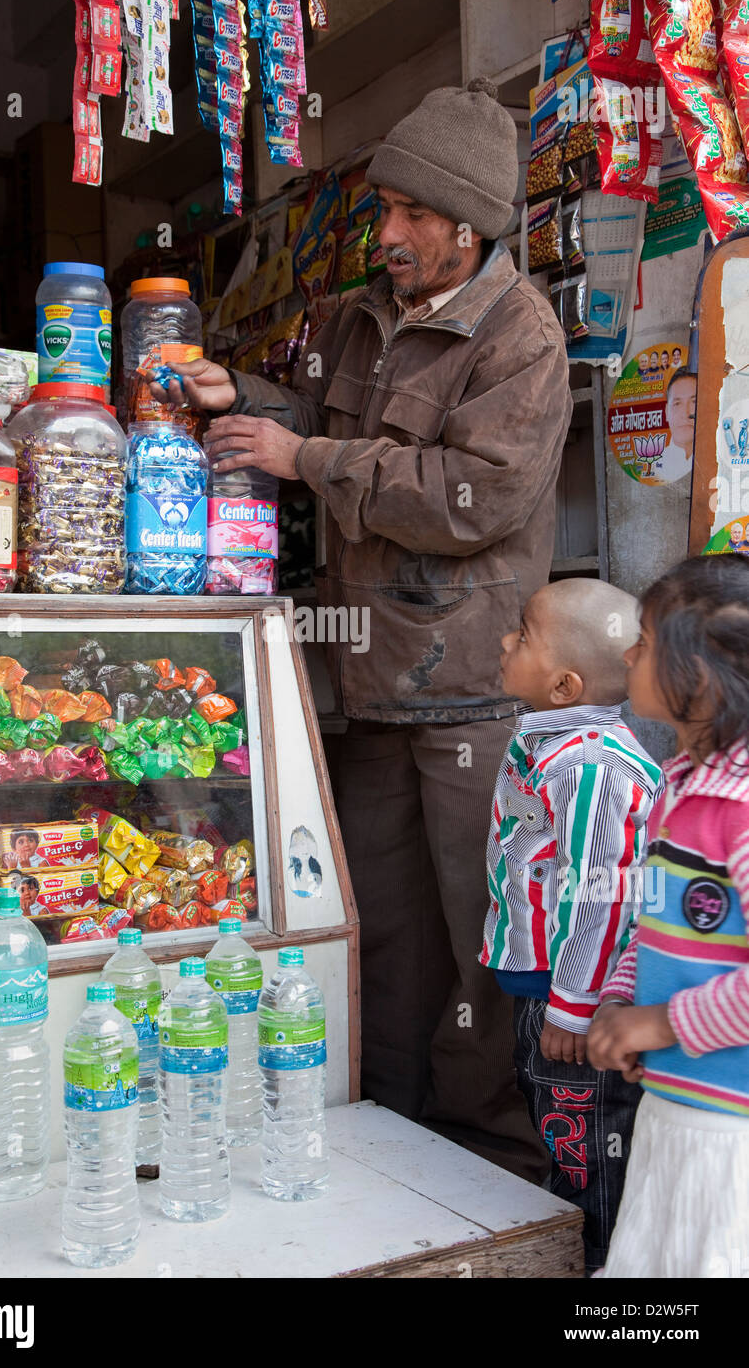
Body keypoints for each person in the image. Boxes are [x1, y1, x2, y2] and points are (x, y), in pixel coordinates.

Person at [156, 81, 573, 1181]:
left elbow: (477, 495)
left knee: (479, 940)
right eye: (382, 209)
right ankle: (384, 1134)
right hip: (364, 677)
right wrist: (232, 393)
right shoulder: (355, 317)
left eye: (408, 216)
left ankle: (489, 1161)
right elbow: (306, 418)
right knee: (376, 929)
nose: (384, 233)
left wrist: (313, 462)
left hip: (472, 686)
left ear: (466, 225)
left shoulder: (518, 336)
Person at [480, 578, 662, 1271]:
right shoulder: (550, 747)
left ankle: (604, 1278)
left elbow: (599, 899)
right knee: (567, 1141)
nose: (505, 642)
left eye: (521, 634)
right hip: (546, 997)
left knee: (590, 1161)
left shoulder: (591, 768)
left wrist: (575, 1011)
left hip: (574, 1008)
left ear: (563, 684)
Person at [589, 554, 749, 1278]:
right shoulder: (683, 784)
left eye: (647, 641)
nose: (628, 654)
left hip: (731, 1132)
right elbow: (656, 919)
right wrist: (623, 998)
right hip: (677, 1109)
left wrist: (660, 1024)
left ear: (705, 674)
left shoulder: (738, 806)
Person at [656, 368, 697, 483]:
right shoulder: (655, 465)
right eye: (677, 404)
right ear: (666, 412)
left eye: (694, 402)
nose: (685, 413)